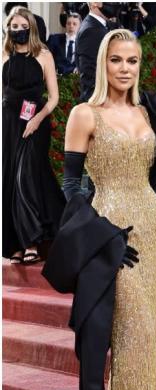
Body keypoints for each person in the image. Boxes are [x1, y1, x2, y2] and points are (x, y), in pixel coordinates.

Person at [58, 28, 156, 390]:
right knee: (125, 331)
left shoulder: (146, 111)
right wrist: (99, 239)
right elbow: (71, 187)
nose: (126, 68)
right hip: (111, 234)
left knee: (146, 339)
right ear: (103, 63)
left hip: (150, 227)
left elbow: (153, 178)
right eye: (117, 60)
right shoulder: (84, 115)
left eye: (133, 61)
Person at [2, 6, 65, 264]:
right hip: (9, 123)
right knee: (9, 179)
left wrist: (38, 120)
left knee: (25, 176)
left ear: (31, 27)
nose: (17, 31)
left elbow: (54, 98)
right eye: (13, 27)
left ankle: (32, 241)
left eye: (22, 27)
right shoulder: (4, 54)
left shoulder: (43, 55)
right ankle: (15, 243)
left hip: (35, 122)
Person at [76, 3, 120, 102]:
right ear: (94, 3)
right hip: (98, 101)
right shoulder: (91, 30)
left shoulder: (99, 25)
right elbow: (90, 74)